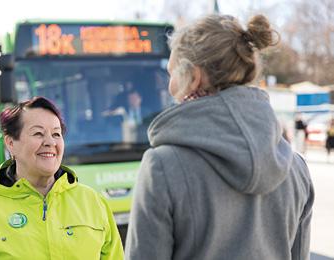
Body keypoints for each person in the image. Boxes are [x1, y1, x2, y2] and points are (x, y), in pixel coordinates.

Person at [125, 14, 314, 260]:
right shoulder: (296, 168)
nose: (169, 87)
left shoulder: (162, 166)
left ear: (193, 77)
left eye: (171, 73)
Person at [0, 97, 124, 259]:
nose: (50, 142)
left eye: (56, 134)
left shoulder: (93, 202)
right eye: (38, 133)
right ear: (11, 143)